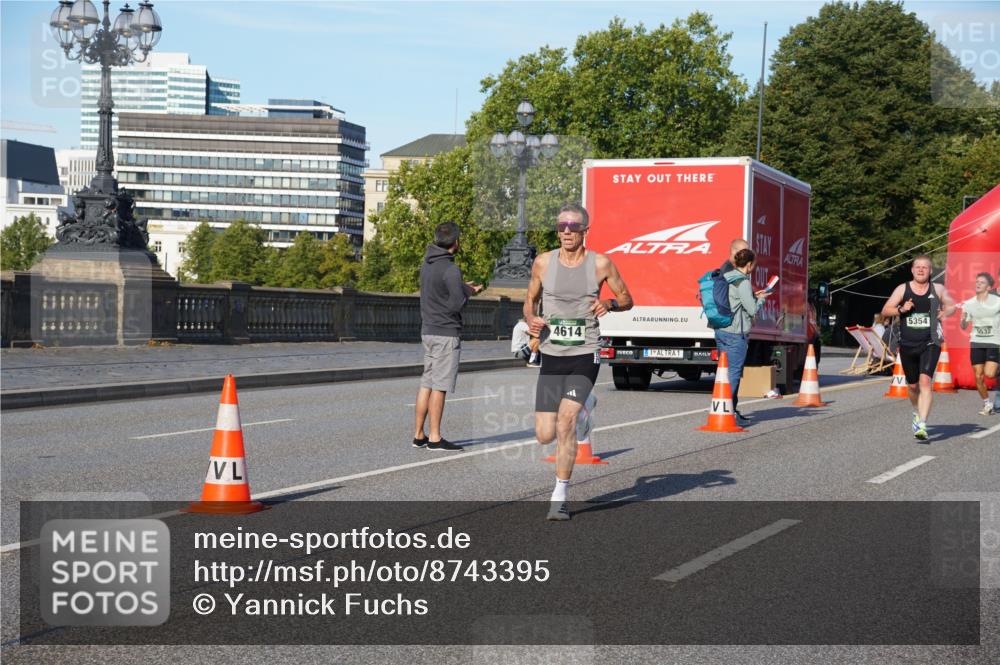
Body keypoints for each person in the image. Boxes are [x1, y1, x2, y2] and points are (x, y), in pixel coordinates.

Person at [524, 203, 633, 521]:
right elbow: (529, 300)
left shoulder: (601, 264)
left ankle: (559, 495)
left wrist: (609, 303)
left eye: (573, 226)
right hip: (552, 355)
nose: (566, 231)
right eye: (561, 226)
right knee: (544, 434)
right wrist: (531, 320)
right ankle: (586, 411)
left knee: (564, 423)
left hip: (586, 353)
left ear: (586, 230)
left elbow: (628, 299)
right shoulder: (543, 262)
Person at [413, 222, 481, 452]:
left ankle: (418, 434)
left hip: (428, 330)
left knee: (427, 383)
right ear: (456, 242)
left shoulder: (427, 264)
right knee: (440, 386)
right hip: (446, 332)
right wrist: (467, 292)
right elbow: (455, 304)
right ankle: (435, 437)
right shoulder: (452, 269)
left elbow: (438, 287)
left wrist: (461, 286)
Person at [880, 255, 956, 440]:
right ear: (912, 270)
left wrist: (945, 311)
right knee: (913, 386)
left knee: (925, 382)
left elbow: (952, 306)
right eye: (918, 267)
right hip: (907, 344)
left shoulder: (937, 289)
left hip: (931, 342)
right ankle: (916, 410)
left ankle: (922, 423)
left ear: (930, 271)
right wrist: (901, 310)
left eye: (925, 267)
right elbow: (885, 310)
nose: (921, 270)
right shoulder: (902, 289)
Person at [716, 248, 772, 425]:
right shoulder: (744, 282)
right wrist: (761, 298)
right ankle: (729, 412)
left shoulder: (727, 276)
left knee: (723, 372)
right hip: (735, 333)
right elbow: (752, 309)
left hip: (721, 330)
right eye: (753, 265)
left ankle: (720, 408)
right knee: (733, 373)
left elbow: (736, 301)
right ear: (749, 265)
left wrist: (752, 296)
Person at [959, 272, 1000, 415]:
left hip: (994, 341)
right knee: (978, 376)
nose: (978, 284)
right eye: (977, 282)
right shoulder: (969, 303)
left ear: (989, 287)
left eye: (982, 282)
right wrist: (963, 319)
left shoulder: (997, 301)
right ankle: (987, 404)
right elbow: (963, 326)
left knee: (990, 374)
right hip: (976, 341)